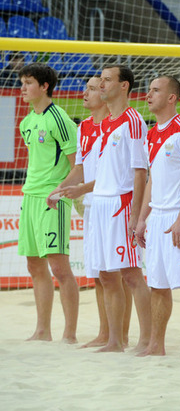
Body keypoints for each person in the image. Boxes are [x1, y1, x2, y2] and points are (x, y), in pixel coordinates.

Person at [49, 76, 133, 347]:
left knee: (119, 273)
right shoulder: (84, 126)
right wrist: (61, 188)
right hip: (92, 206)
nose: (85, 93)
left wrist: (82, 188)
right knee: (99, 274)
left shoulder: (118, 125)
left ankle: (121, 335)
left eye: (93, 89)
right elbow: (80, 167)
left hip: (115, 203)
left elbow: (119, 174)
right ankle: (105, 333)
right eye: (86, 88)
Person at [133, 76, 180, 359]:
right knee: (158, 285)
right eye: (149, 90)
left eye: (155, 90)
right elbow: (152, 179)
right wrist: (143, 219)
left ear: (172, 97)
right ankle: (156, 345)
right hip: (157, 217)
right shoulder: (152, 134)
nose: (148, 94)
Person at [90, 65, 151, 353]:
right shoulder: (106, 123)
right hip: (100, 204)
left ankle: (147, 339)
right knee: (105, 275)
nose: (101, 85)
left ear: (124, 85)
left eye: (107, 80)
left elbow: (141, 171)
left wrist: (136, 215)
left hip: (121, 203)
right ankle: (115, 340)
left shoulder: (133, 120)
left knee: (131, 275)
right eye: (100, 80)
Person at [17, 63, 79, 343]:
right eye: (22, 82)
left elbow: (77, 164)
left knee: (60, 268)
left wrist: (61, 191)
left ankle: (70, 334)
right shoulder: (27, 122)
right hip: (30, 197)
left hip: (53, 200)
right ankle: (43, 331)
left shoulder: (59, 119)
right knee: (34, 265)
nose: (22, 87)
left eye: (28, 82)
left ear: (44, 87)